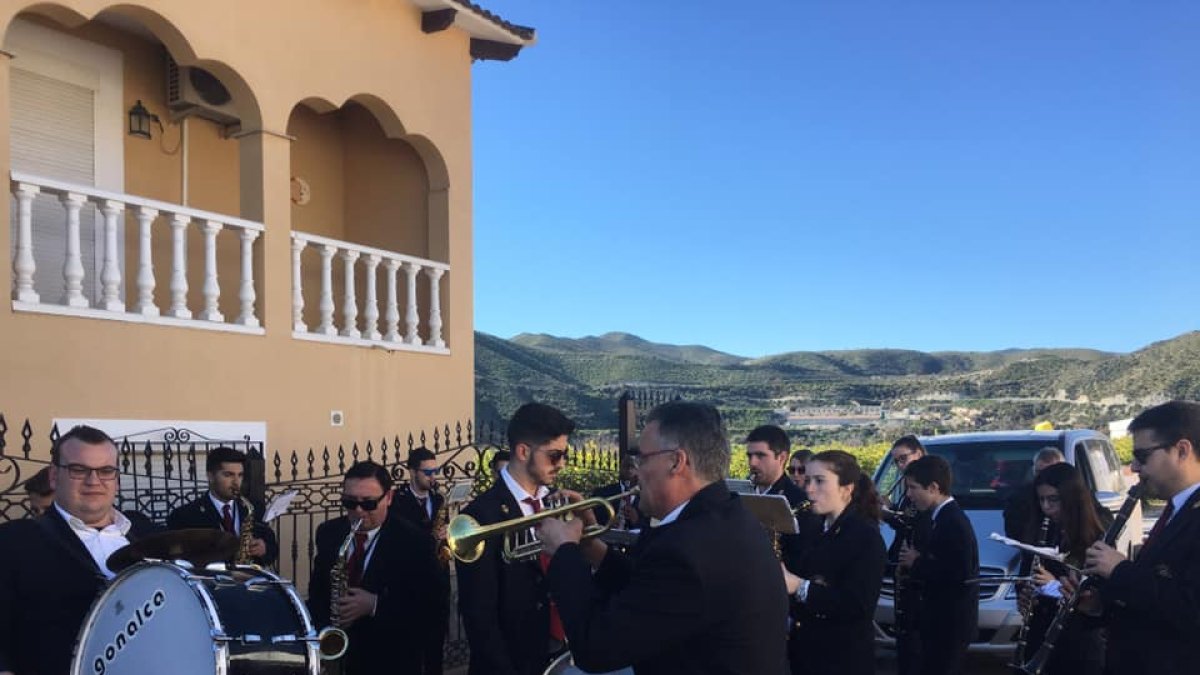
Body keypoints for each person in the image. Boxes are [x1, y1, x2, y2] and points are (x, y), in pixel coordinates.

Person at [537, 401, 789, 674]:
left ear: (675, 462)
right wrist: (590, 545)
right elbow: (651, 591)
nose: (636, 471)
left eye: (642, 459)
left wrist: (565, 551)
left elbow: (595, 648)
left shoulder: (687, 549)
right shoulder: (726, 515)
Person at [0, 425, 157, 675]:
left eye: (106, 470)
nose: (93, 481)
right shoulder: (13, 541)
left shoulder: (149, 534)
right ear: (54, 476)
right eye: (78, 470)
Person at [457, 403, 576, 675]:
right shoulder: (480, 515)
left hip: (558, 651)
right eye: (554, 455)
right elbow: (479, 615)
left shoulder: (557, 502)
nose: (562, 464)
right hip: (512, 661)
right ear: (523, 451)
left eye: (565, 454)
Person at [1084, 400, 1200, 675]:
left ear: (1181, 450)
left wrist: (1120, 570)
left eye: (1142, 456)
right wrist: (1098, 605)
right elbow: (1154, 597)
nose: (1134, 467)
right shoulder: (1176, 508)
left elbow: (1191, 608)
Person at [308, 461, 445, 675]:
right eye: (349, 503)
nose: (359, 511)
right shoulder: (329, 532)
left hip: (390, 660)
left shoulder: (415, 541)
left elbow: (431, 609)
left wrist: (375, 605)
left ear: (388, 498)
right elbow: (317, 593)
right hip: (339, 658)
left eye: (369, 503)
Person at [781, 450, 886, 675]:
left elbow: (857, 605)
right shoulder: (816, 526)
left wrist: (799, 586)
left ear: (846, 489)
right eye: (808, 480)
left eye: (819, 481)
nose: (808, 489)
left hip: (841, 660)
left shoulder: (865, 536)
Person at [1017, 463, 1109, 675]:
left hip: (1076, 643)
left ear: (1072, 498)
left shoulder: (1095, 539)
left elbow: (1098, 600)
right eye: (1041, 500)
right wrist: (1024, 596)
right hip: (1040, 636)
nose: (1047, 507)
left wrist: (1053, 586)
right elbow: (1026, 576)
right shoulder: (1042, 532)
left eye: (1054, 499)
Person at [745, 424, 822, 673]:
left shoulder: (798, 501)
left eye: (760, 456)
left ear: (781, 457)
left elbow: (805, 558)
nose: (752, 462)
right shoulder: (745, 493)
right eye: (749, 456)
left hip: (780, 608)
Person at [898, 454, 979, 675]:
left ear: (933, 487)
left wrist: (917, 561)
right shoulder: (940, 517)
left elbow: (958, 574)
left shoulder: (952, 521)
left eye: (913, 488)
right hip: (939, 622)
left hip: (949, 624)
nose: (909, 495)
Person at [388, 446, 450, 675]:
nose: (433, 476)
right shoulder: (398, 501)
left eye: (436, 470)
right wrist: (429, 537)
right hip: (411, 580)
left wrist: (447, 535)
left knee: (436, 648)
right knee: (411, 650)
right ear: (412, 472)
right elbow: (398, 536)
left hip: (438, 579)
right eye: (428, 472)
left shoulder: (439, 498)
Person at [167, 445, 278, 566]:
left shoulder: (254, 508)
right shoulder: (184, 516)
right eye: (228, 475)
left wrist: (264, 549)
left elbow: (272, 549)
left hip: (248, 580)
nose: (236, 482)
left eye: (240, 475)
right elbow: (178, 561)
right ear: (210, 476)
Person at [883, 435, 929, 675]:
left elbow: (912, 520)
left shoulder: (925, 486)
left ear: (919, 454)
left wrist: (886, 513)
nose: (901, 465)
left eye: (904, 458)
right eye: (897, 462)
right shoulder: (906, 486)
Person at [1002, 446, 1065, 539]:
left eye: (1049, 472)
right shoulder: (1018, 498)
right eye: (1039, 472)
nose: (1043, 477)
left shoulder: (1074, 495)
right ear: (1033, 471)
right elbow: (1013, 531)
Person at [590, 451, 640, 528]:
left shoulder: (650, 498)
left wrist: (636, 520)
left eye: (633, 466)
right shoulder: (601, 493)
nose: (629, 470)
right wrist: (608, 523)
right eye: (626, 465)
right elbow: (590, 519)